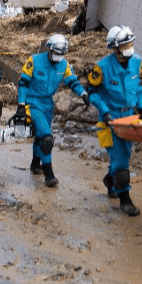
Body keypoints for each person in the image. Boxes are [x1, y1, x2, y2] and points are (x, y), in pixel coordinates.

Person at [86, 26, 142, 216]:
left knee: (125, 155)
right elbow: (92, 93)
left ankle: (109, 180)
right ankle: (125, 200)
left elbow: (139, 87)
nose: (129, 47)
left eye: (130, 43)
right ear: (114, 48)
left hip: (131, 117)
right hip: (111, 120)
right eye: (124, 45)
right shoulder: (102, 68)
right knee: (121, 160)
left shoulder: (138, 63)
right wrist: (104, 112)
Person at [17, 34, 88, 187]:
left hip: (48, 104)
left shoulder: (64, 65)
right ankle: (49, 174)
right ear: (50, 49)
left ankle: (35, 164)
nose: (59, 57)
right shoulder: (34, 61)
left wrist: (83, 93)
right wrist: (21, 104)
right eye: (57, 53)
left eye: (62, 54)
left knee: (40, 136)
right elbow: (23, 83)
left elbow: (72, 82)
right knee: (47, 139)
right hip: (32, 102)